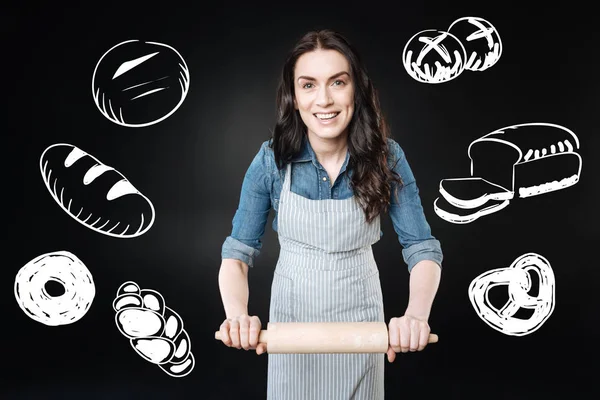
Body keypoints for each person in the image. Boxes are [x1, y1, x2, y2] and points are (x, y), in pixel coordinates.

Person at [217, 29, 443, 399]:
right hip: (293, 326)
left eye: (338, 82)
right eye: (308, 85)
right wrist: (237, 314)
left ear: (357, 89)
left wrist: (415, 315)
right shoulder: (270, 162)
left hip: (361, 325)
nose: (324, 99)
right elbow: (237, 255)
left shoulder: (389, 158)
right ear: (293, 97)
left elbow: (422, 249)